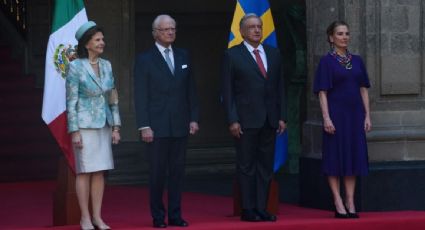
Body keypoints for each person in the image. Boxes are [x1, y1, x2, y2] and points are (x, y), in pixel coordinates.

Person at [133, 14, 199, 228]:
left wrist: (193, 118)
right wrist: (144, 125)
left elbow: (191, 91)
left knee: (178, 173)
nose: (170, 32)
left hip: (180, 124)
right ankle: (158, 216)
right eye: (165, 29)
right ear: (155, 33)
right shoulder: (145, 59)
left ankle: (176, 215)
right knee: (158, 174)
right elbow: (140, 95)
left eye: (173, 28)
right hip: (156, 126)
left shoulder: (183, 55)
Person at [222, 13, 286, 222]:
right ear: (241, 31)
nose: (257, 30)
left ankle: (262, 208)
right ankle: (248, 209)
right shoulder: (232, 55)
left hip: (269, 119)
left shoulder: (273, 53)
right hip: (245, 120)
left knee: (265, 167)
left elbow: (279, 88)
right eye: (251, 27)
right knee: (247, 166)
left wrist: (282, 116)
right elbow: (228, 91)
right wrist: (232, 120)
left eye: (259, 26)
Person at [66, 21, 121, 230]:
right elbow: (70, 101)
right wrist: (74, 131)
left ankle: (97, 217)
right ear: (87, 43)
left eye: (102, 39)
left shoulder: (107, 65)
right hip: (84, 126)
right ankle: (85, 218)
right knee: (84, 171)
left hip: (104, 124)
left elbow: (113, 97)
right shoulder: (75, 66)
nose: (102, 43)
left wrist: (116, 127)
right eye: (97, 40)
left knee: (100, 171)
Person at [313, 20, 371, 219]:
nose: (344, 37)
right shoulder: (326, 62)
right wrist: (326, 117)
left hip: (355, 116)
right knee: (335, 157)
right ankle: (337, 200)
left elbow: (363, 88)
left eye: (347, 33)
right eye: (340, 33)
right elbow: (322, 92)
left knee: (352, 156)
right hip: (336, 115)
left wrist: (367, 115)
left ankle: (350, 200)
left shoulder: (357, 60)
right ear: (331, 38)